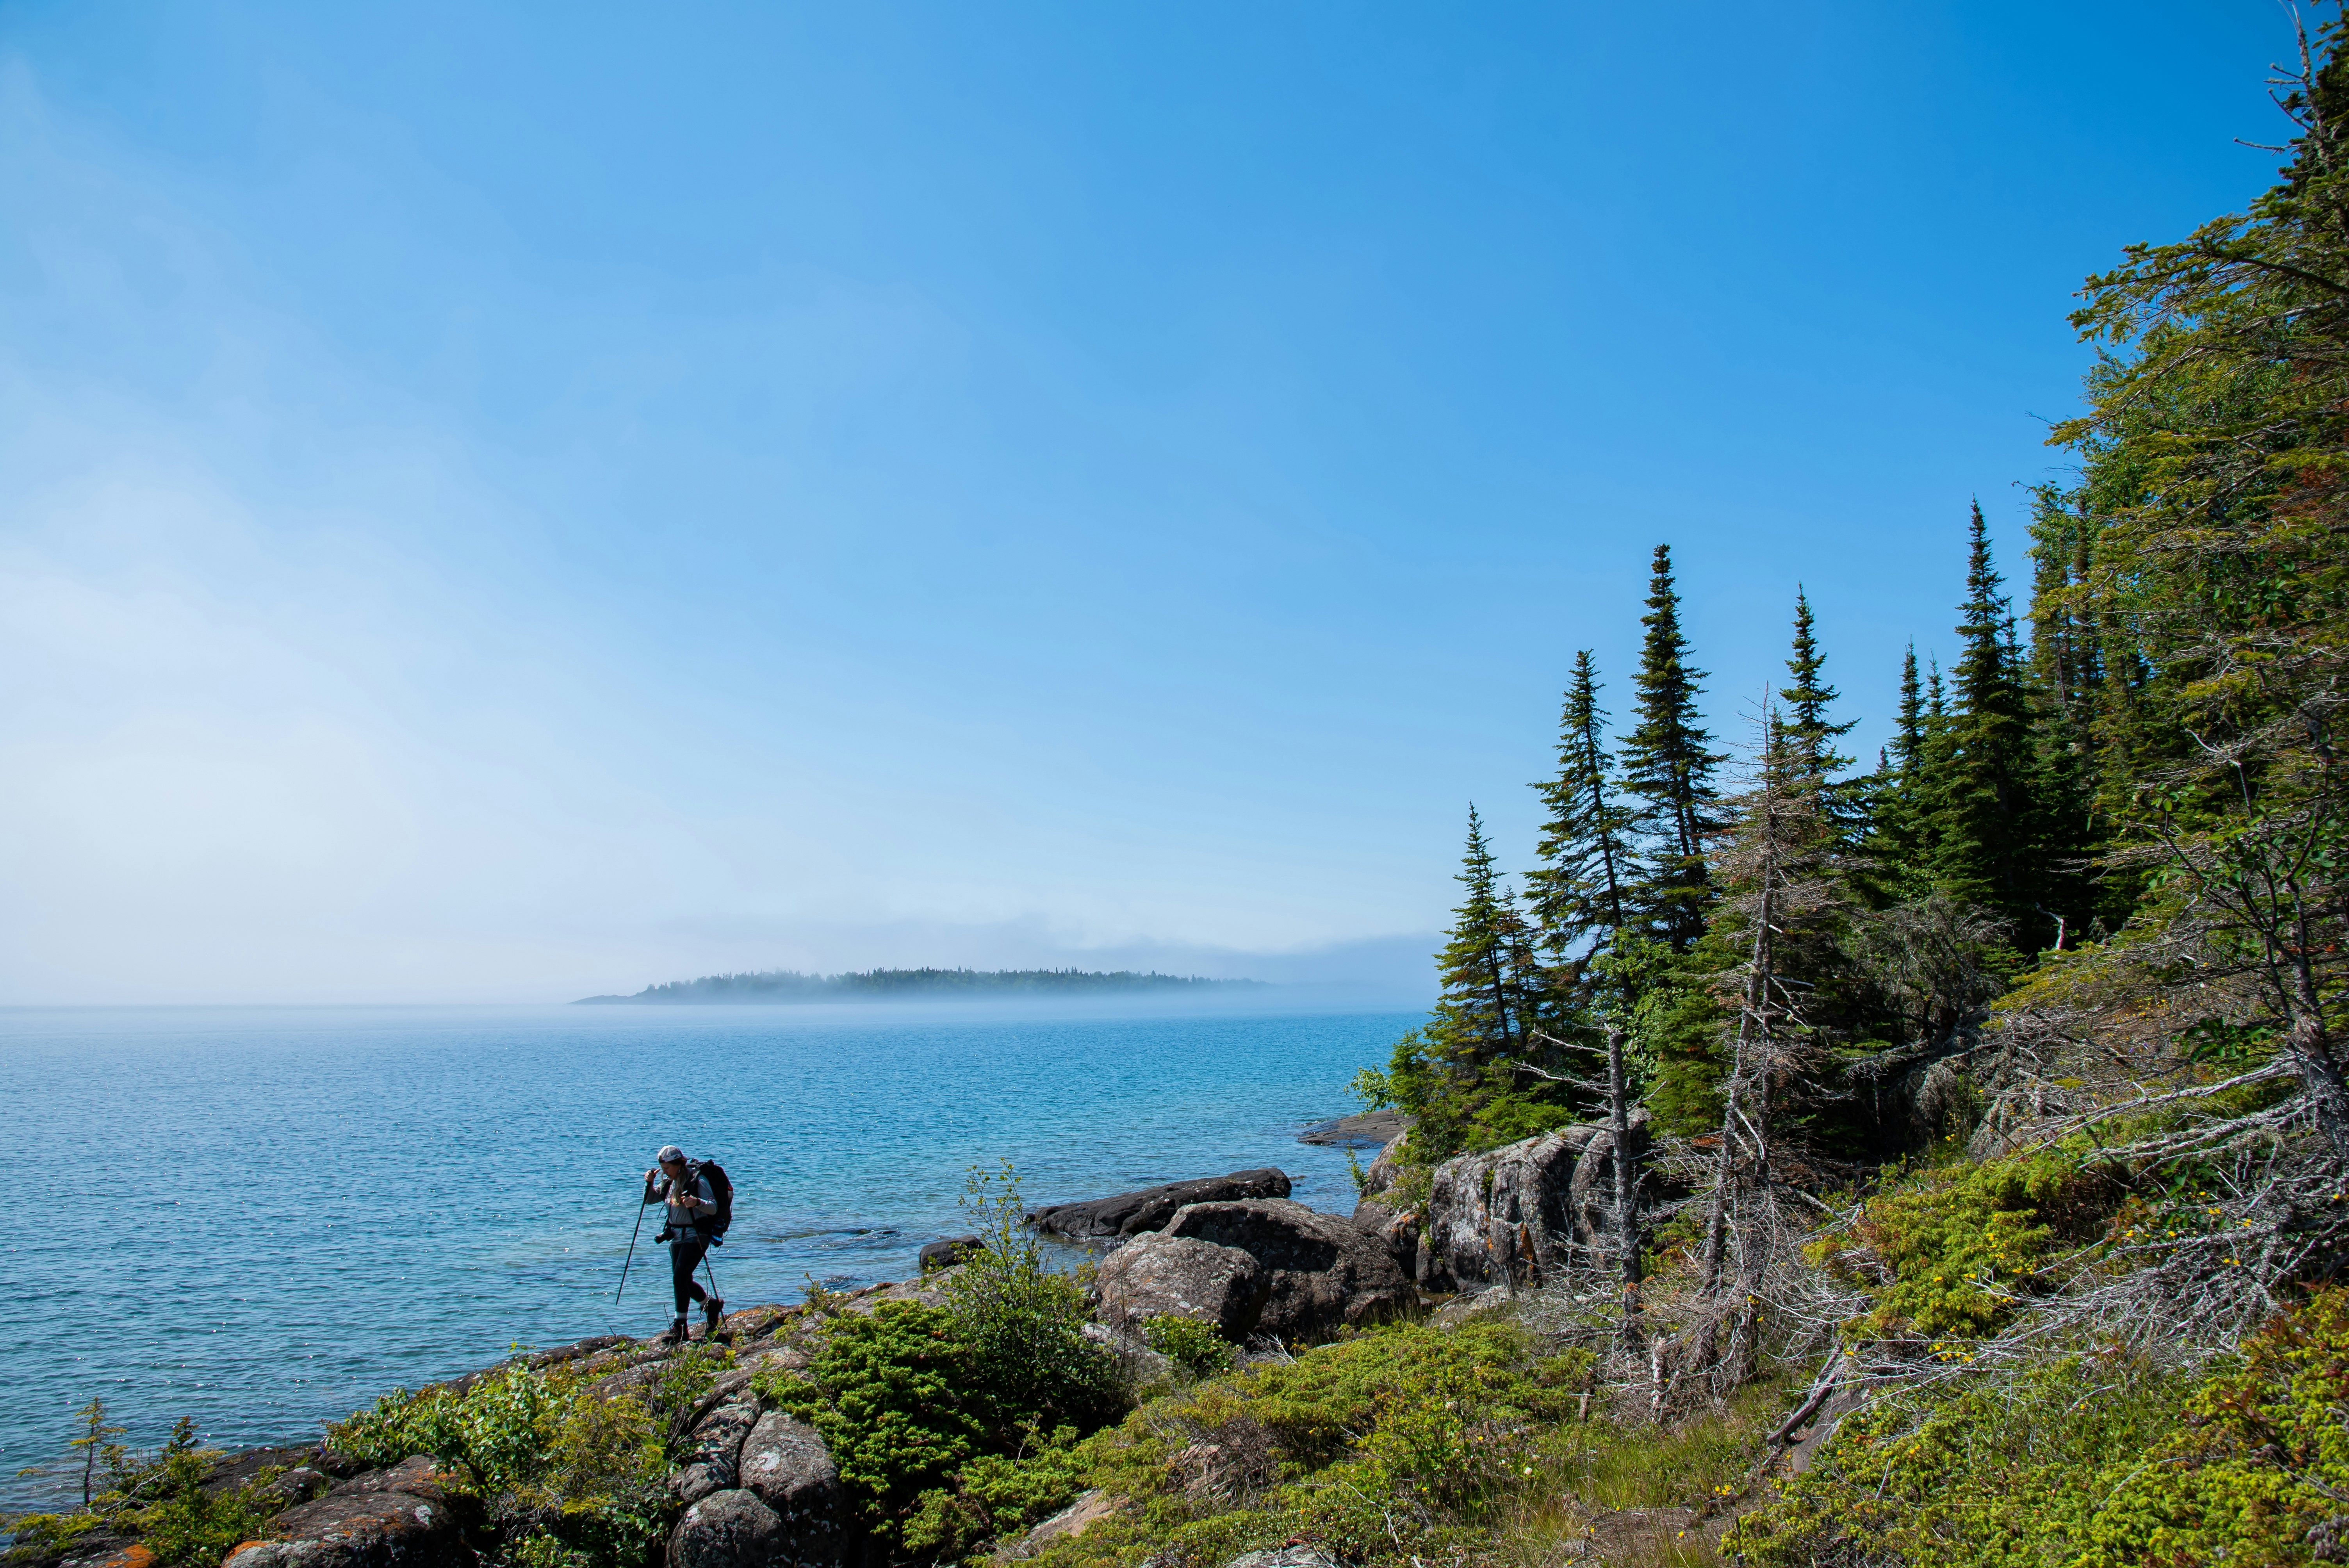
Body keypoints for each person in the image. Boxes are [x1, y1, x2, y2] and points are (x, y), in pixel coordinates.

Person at [642, 1145, 724, 1343]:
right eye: (662, 1168)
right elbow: (650, 1200)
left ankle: (680, 1326)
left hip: (697, 1235)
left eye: (667, 1168)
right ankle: (710, 1305)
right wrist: (650, 1184)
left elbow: (713, 1208)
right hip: (676, 1236)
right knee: (682, 1280)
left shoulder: (698, 1180)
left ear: (679, 1164)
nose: (664, 1171)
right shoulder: (669, 1182)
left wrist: (697, 1202)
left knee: (680, 1276)